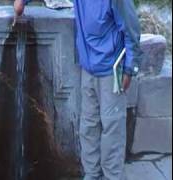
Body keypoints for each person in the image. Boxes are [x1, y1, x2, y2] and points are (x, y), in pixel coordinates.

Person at [13, 0, 142, 180]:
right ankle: (91, 175)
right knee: (88, 127)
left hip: (112, 70)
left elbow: (132, 29)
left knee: (112, 130)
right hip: (88, 68)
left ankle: (113, 177)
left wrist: (130, 68)